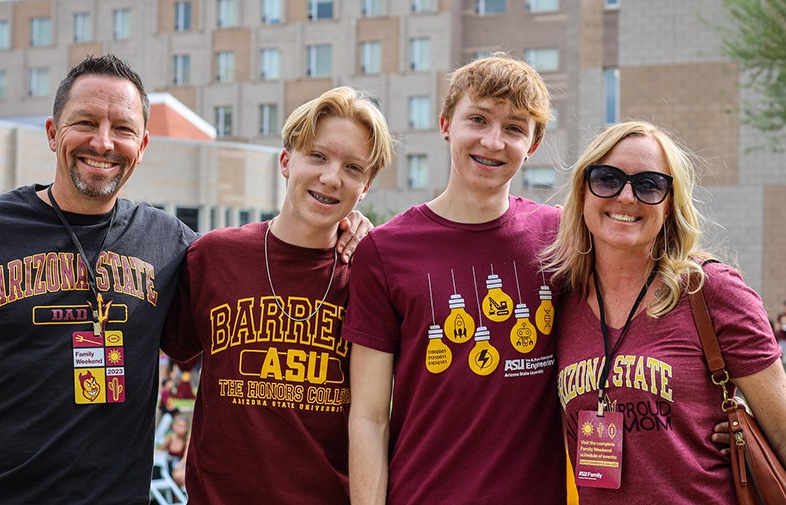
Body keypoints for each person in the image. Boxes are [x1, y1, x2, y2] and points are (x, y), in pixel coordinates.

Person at [0, 55, 371, 505]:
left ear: (141, 147)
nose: (103, 142)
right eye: (85, 122)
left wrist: (349, 224)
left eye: (122, 129)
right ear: (53, 132)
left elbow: (268, 253)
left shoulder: (174, 244)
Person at [343, 54, 568, 504]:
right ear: (446, 123)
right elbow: (369, 416)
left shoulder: (561, 237)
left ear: (534, 143)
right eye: (478, 119)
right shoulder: (384, 251)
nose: (492, 141)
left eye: (514, 128)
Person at [162, 85, 394, 504]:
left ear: (367, 186)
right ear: (287, 161)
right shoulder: (213, 256)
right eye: (318, 156)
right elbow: (160, 362)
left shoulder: (370, 276)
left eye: (353, 168)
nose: (330, 177)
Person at [543, 120, 786, 502]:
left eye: (649, 185)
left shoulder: (712, 291)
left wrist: (741, 430)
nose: (626, 197)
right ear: (583, 191)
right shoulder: (560, 300)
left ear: (670, 204)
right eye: (607, 179)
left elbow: (783, 435)